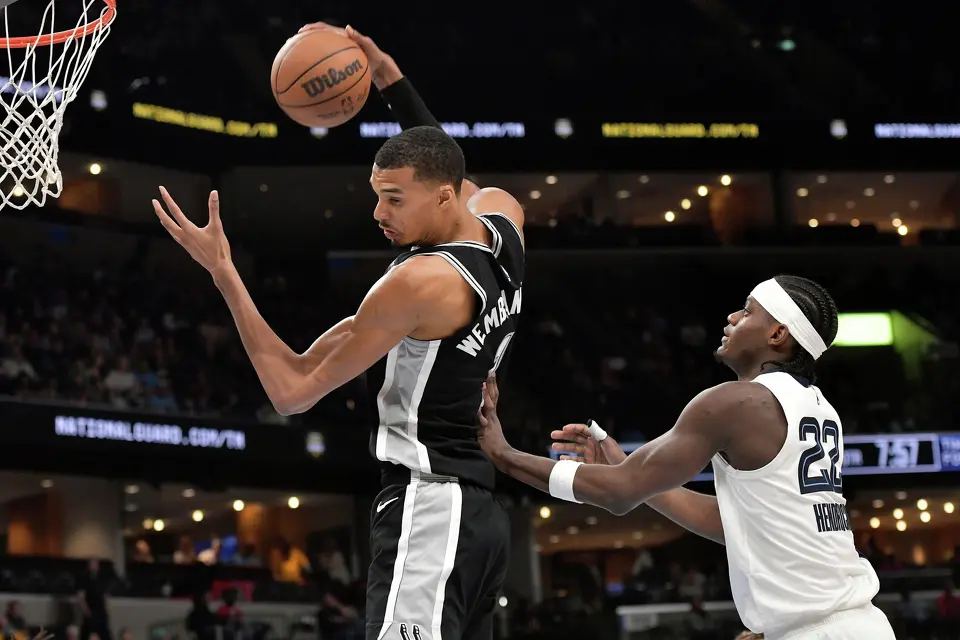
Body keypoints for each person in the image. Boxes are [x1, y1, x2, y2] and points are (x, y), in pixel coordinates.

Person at [152, 24, 523, 640]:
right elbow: (452, 164)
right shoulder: (503, 223)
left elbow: (290, 390)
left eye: (395, 199)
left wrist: (223, 271)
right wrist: (393, 84)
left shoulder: (416, 284)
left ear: (443, 197)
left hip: (428, 511)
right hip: (483, 520)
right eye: (377, 196)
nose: (379, 213)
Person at [477, 275, 896, 640]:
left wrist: (504, 455)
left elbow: (618, 494)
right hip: (854, 623)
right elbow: (738, 524)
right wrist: (631, 472)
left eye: (747, 312)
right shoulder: (820, 409)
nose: (731, 318)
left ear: (777, 335)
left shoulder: (737, 402)